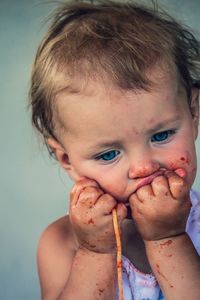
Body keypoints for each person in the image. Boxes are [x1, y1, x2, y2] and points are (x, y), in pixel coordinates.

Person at [29, 1, 200, 299]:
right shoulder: (60, 244)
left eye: (162, 134)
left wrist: (167, 239)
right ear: (67, 160)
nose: (144, 167)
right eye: (108, 154)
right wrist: (96, 252)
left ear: (194, 113)